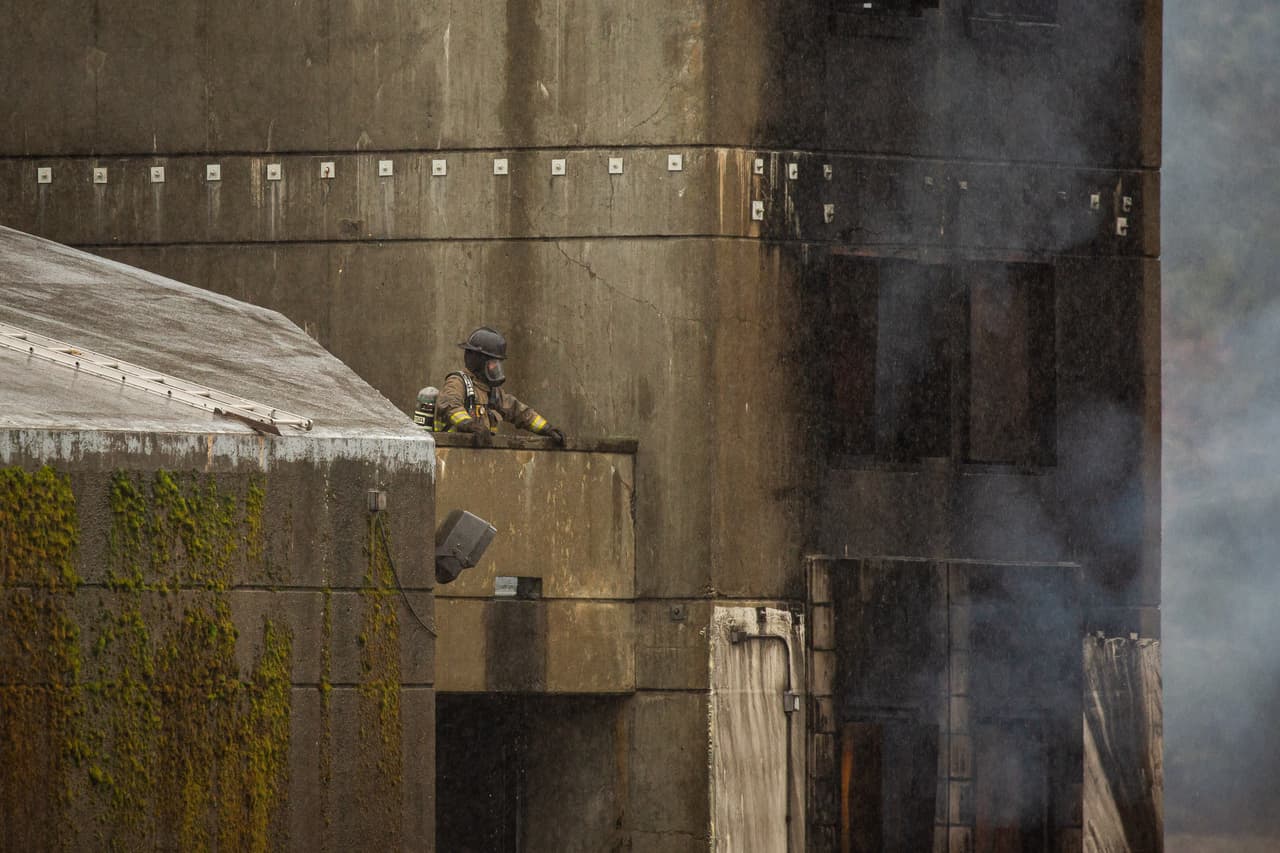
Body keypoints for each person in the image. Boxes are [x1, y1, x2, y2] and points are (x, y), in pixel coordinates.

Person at [436, 326, 566, 447]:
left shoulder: (491, 391)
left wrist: (547, 429)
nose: (496, 368)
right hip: (453, 454)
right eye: (493, 363)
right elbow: (450, 407)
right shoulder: (457, 382)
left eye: (497, 363)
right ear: (479, 361)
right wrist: (469, 425)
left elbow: (519, 412)